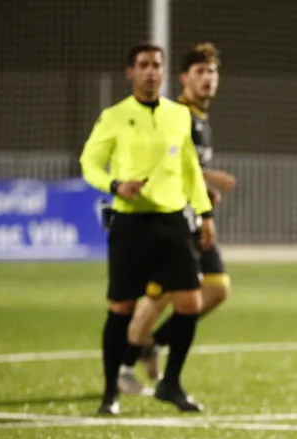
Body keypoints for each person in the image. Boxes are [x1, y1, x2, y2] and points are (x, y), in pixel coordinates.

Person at [80, 42, 215, 415]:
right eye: (143, 65)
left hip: (172, 221)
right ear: (131, 72)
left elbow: (189, 167)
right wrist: (114, 185)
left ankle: (170, 383)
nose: (151, 71)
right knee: (121, 306)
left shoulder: (178, 115)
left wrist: (204, 213)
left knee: (190, 303)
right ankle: (111, 392)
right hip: (131, 222)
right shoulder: (114, 116)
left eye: (157, 64)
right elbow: (89, 163)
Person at [118, 42, 237, 396]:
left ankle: (152, 344)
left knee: (216, 289)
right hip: (168, 220)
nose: (208, 78)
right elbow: (169, 164)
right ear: (184, 78)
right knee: (159, 296)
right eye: (200, 72)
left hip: (192, 218)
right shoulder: (177, 115)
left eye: (212, 72)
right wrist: (209, 179)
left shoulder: (200, 118)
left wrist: (204, 195)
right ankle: (124, 369)